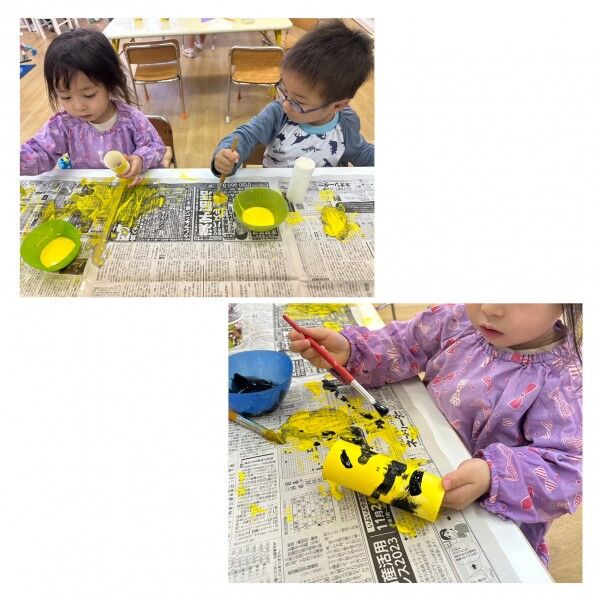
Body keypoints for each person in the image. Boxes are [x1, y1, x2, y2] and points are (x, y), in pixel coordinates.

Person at [289, 304, 582, 568]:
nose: (490, 308)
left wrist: (492, 476)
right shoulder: (455, 320)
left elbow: (569, 473)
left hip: (492, 511)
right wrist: (352, 351)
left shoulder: (567, 381)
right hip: (421, 468)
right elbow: (400, 346)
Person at [212, 19, 374, 177]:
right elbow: (246, 135)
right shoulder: (277, 113)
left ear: (338, 106)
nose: (286, 105)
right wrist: (226, 155)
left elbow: (362, 153)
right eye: (284, 91)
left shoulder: (345, 123)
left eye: (298, 102)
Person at [20, 28, 166, 186]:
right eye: (65, 97)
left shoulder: (131, 119)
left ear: (110, 84)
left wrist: (139, 159)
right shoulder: (63, 125)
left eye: (89, 95)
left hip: (129, 187)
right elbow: (39, 153)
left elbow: (156, 147)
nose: (78, 106)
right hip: (90, 193)